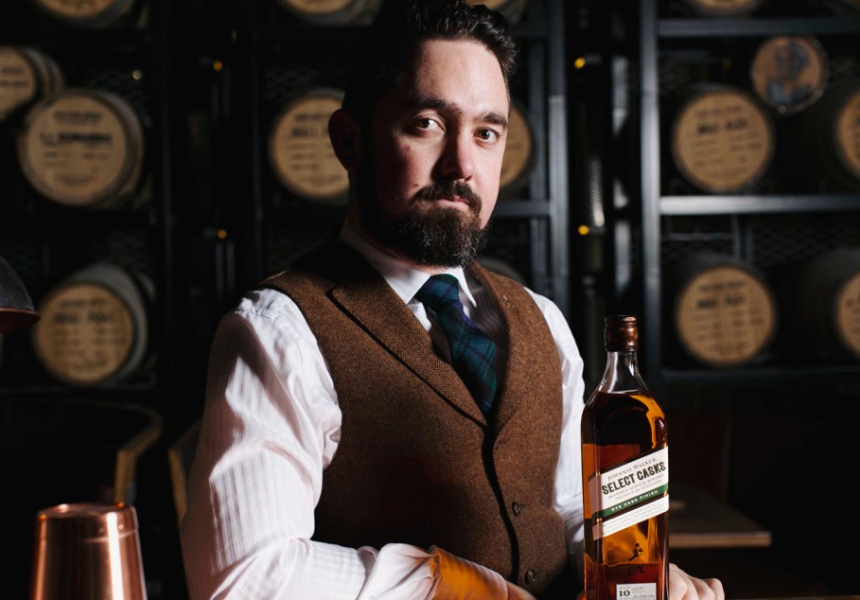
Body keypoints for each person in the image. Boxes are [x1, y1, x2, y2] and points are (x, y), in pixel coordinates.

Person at [180, 1, 725, 598]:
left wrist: (634, 571)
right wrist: (446, 583)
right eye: (427, 124)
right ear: (350, 141)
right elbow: (243, 576)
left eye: (486, 133)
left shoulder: (542, 321)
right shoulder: (279, 330)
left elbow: (570, 508)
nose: (462, 164)